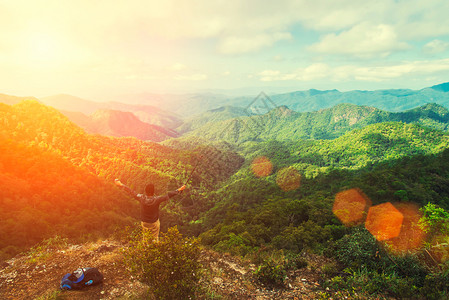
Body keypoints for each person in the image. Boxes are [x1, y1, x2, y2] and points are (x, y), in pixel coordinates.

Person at [114, 179, 186, 241]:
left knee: (145, 238)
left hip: (144, 222)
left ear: (145, 191)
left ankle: (145, 252)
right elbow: (168, 195)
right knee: (155, 239)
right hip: (154, 223)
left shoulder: (141, 198)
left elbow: (131, 191)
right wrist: (179, 190)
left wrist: (121, 184)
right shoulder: (157, 199)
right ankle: (154, 253)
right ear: (153, 192)